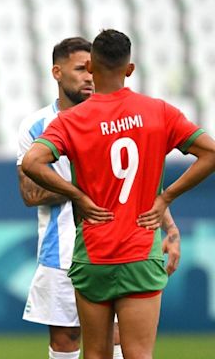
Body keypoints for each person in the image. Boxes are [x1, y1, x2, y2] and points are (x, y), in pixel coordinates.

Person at [21, 29, 215, 359]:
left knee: (95, 354)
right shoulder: (158, 112)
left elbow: (32, 162)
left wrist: (78, 196)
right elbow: (210, 153)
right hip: (140, 249)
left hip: (93, 251)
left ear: (92, 67)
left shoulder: (72, 120)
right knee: (137, 353)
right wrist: (166, 197)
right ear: (130, 69)